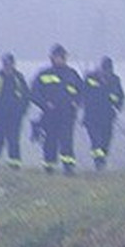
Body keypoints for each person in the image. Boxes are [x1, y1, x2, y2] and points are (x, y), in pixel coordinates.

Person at [30, 44, 83, 175]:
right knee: (50, 140)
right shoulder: (43, 74)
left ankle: (68, 166)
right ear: (52, 58)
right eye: (57, 57)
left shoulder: (72, 74)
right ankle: (49, 166)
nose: (60, 59)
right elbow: (34, 93)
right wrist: (44, 104)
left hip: (67, 114)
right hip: (50, 114)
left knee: (66, 140)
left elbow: (82, 92)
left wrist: (76, 102)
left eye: (62, 57)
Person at [0, 52, 30, 170]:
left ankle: (15, 164)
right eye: (5, 64)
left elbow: (26, 96)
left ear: (13, 64)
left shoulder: (19, 78)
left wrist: (22, 111)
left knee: (13, 141)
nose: (7, 66)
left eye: (9, 64)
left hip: (15, 117)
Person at [82, 56, 125, 171]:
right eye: (105, 70)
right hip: (92, 116)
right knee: (96, 140)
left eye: (109, 70)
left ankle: (102, 157)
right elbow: (83, 93)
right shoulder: (90, 78)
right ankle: (98, 161)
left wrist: (118, 106)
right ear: (100, 69)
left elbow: (120, 96)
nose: (107, 73)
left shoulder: (115, 80)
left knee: (106, 140)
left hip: (107, 116)